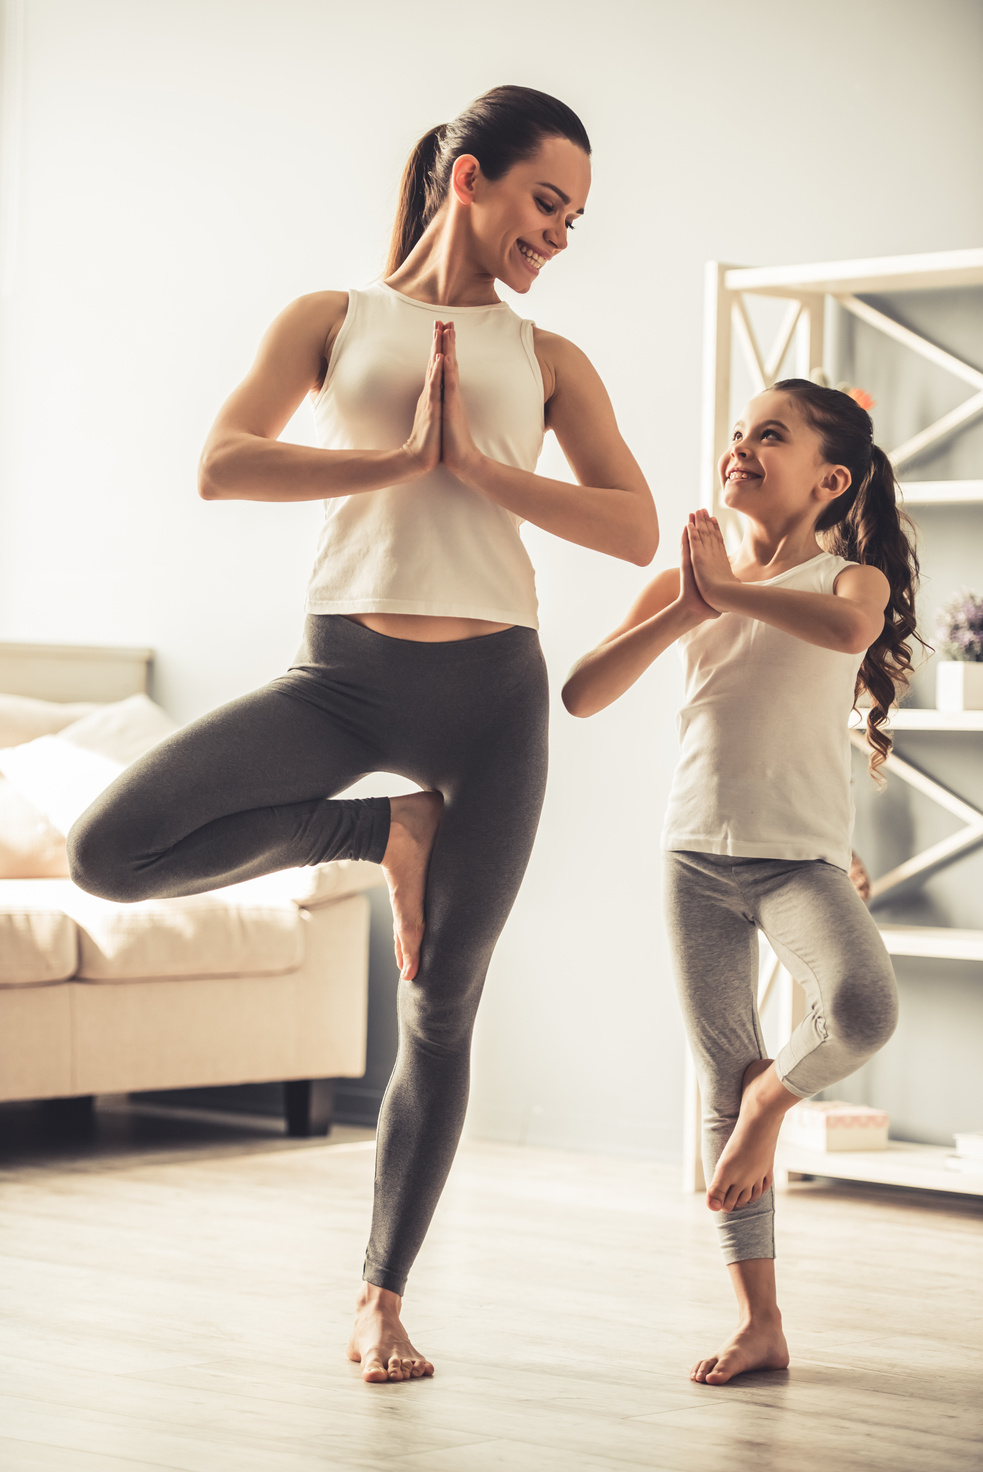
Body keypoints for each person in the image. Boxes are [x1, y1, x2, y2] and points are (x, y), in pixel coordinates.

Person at [67, 85, 658, 1383]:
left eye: (573, 216)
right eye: (543, 201)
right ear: (468, 178)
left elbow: (628, 526)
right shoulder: (334, 320)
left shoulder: (546, 358)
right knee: (110, 851)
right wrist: (393, 464)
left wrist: (481, 470)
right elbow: (225, 460)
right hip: (339, 675)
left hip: (492, 695)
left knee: (439, 1005)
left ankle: (379, 1301)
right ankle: (384, 825)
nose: (557, 233)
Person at [563, 378, 921, 1385]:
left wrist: (724, 591)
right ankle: (758, 1320)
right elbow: (583, 692)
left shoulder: (848, 579)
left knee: (857, 1004)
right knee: (718, 1074)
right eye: (735, 432)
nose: (740, 446)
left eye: (770, 434)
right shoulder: (698, 574)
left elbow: (848, 635)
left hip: (796, 859)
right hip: (693, 860)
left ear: (828, 480)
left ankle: (771, 1103)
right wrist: (685, 605)